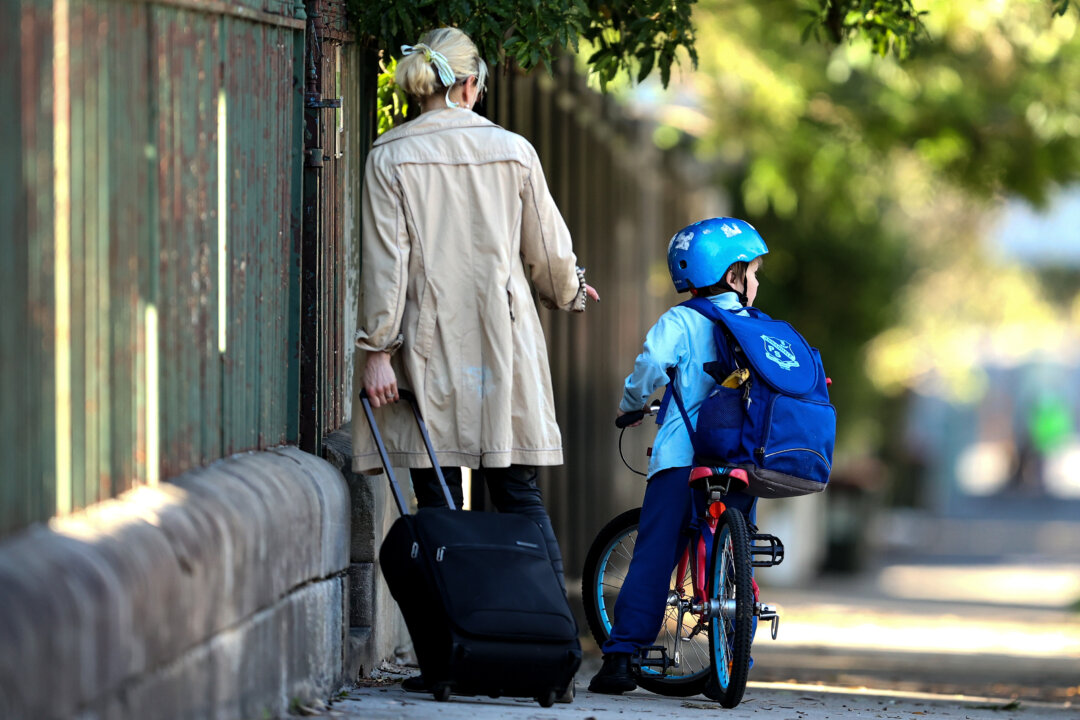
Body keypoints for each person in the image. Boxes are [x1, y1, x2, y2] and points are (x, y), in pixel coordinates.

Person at [353, 26, 598, 621]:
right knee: (518, 493)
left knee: (437, 500)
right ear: (468, 84)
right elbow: (547, 251)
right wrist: (570, 291)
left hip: (428, 348)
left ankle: (454, 645)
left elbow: (386, 267)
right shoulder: (514, 151)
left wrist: (378, 350)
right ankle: (552, 638)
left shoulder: (388, 156)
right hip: (502, 344)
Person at [589, 217, 766, 695]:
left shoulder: (680, 321)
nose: (756, 281)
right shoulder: (759, 328)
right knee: (737, 556)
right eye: (753, 272)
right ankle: (732, 658)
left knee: (654, 553)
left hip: (682, 460)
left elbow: (650, 366)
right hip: (739, 463)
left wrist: (630, 405)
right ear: (733, 275)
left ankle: (621, 659)